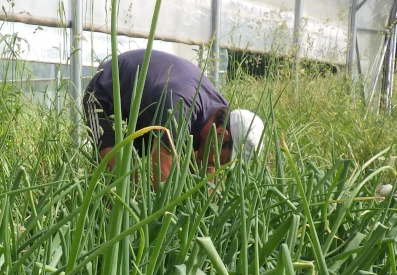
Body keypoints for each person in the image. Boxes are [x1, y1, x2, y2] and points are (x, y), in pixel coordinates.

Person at [82, 49, 264, 184]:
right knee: (126, 177)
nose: (217, 165)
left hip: (149, 103)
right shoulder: (180, 105)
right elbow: (163, 172)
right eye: (222, 160)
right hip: (106, 91)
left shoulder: (222, 114)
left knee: (192, 161)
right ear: (221, 134)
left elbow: (207, 170)